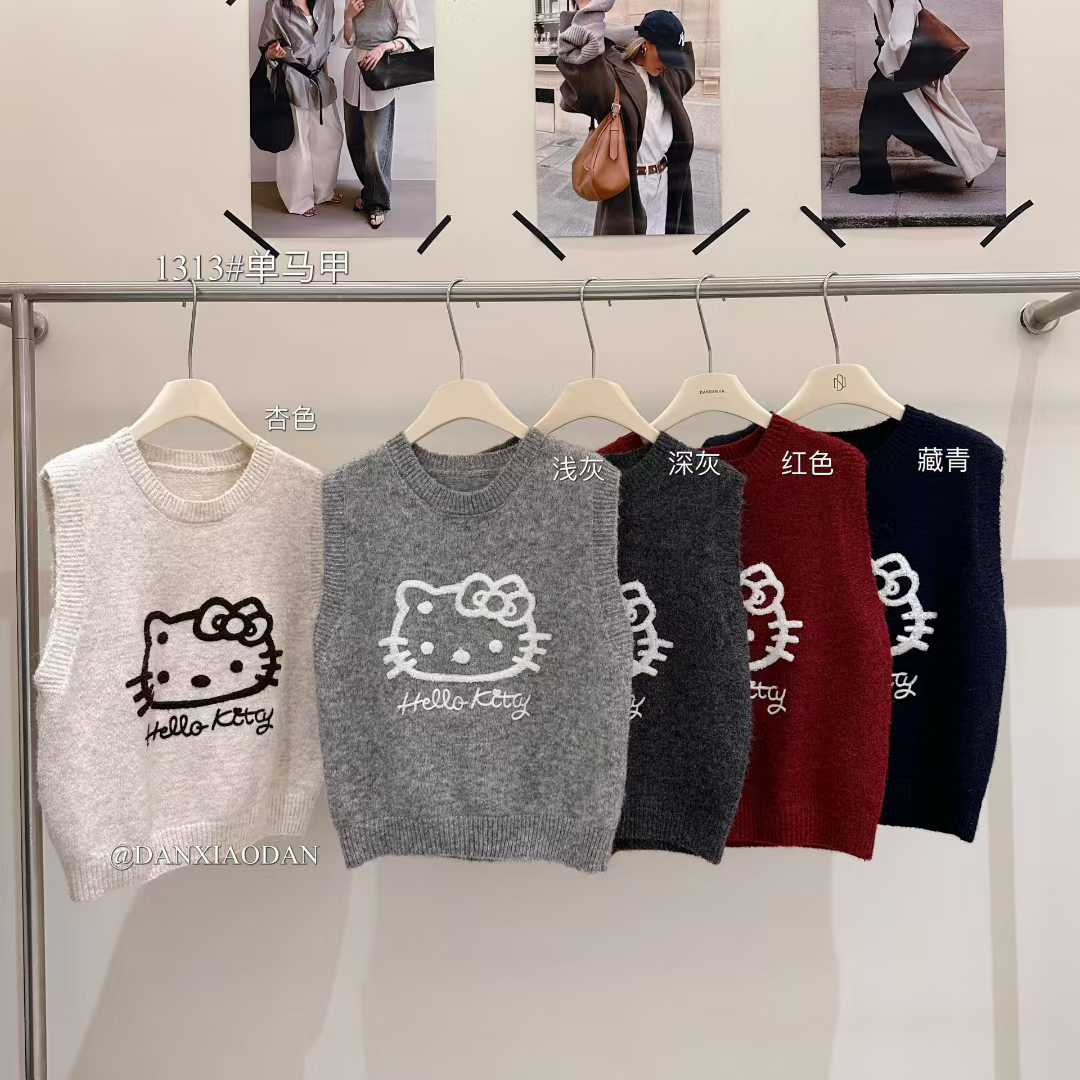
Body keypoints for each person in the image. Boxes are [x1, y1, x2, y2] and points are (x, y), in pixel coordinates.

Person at [557, 3, 696, 236]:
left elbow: (688, 69)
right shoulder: (615, 77)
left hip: (665, 186)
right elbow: (583, 70)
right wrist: (592, 14)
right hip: (629, 189)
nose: (667, 65)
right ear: (645, 44)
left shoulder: (669, 78)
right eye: (664, 56)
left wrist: (639, 31)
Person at [850, 0, 997, 194]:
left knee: (878, 122)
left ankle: (875, 181)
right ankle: (875, 180)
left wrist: (885, 68)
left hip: (897, 69)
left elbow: (900, 43)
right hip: (898, 68)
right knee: (892, 122)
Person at [258, 0, 344, 217]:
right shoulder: (277, 4)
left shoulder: (325, 3)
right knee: (298, 144)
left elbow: (325, 44)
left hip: (319, 79)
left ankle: (323, 191)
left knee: (330, 136)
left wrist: (328, 77)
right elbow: (266, 48)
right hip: (292, 79)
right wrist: (272, 53)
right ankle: (299, 200)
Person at [340, 0, 420, 229]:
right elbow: (349, 40)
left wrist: (384, 47)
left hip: (381, 72)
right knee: (355, 140)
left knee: (377, 146)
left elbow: (410, 35)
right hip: (354, 73)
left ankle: (377, 203)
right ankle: (369, 192)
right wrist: (348, 16)